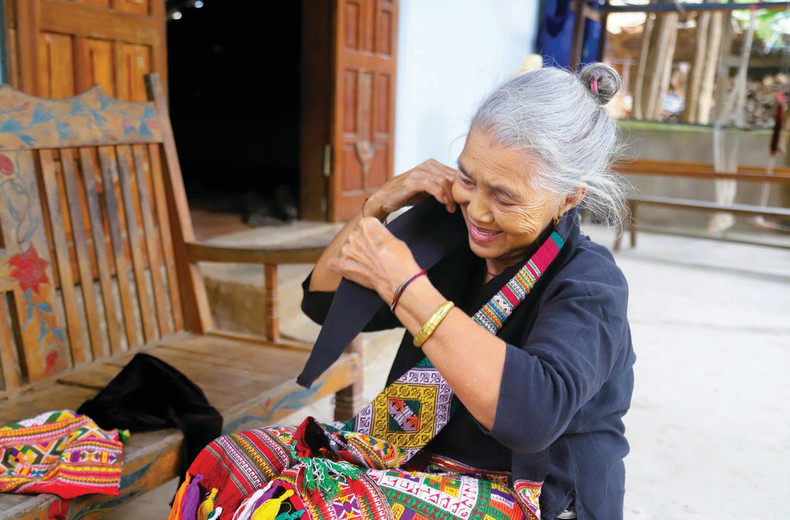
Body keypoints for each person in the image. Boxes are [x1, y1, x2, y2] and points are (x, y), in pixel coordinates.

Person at [169, 61, 636, 520]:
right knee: (229, 462)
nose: (477, 209)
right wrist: (377, 205)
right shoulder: (455, 236)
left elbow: (533, 415)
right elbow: (326, 302)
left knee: (304, 509)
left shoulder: (590, 283)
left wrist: (405, 286)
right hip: (412, 457)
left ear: (570, 196)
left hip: (529, 490)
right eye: (468, 178)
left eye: (505, 197)